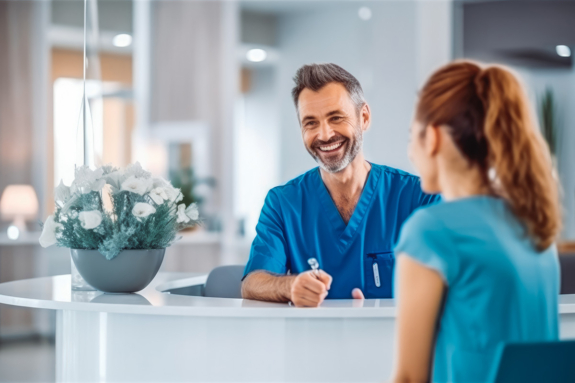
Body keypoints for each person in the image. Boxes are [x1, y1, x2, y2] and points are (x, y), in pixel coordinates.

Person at [391, 61, 561, 383]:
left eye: (412, 135)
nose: (411, 152)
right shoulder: (536, 225)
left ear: (433, 138)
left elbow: (409, 378)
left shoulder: (431, 231)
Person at [241, 63, 440, 307]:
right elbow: (252, 282)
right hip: (310, 342)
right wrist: (290, 286)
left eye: (336, 118)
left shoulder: (419, 198)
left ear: (364, 117)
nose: (324, 135)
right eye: (311, 123)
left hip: (392, 342)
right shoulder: (282, 204)